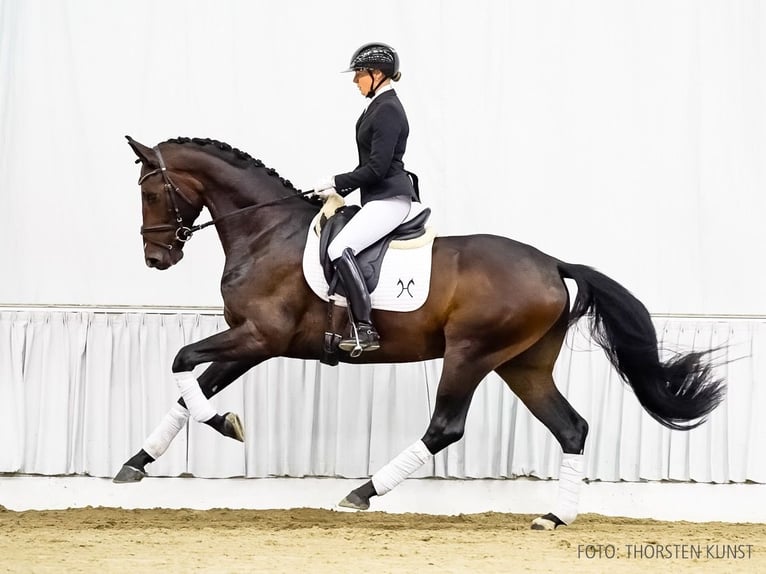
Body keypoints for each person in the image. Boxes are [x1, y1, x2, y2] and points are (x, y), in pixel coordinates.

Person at [312, 42, 419, 355]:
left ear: (377, 73)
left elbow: (376, 168)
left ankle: (364, 327)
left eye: (359, 73)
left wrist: (337, 182)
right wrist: (338, 187)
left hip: (391, 198)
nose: (355, 80)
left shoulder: (387, 110)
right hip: (379, 197)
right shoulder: (378, 105)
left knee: (339, 247)